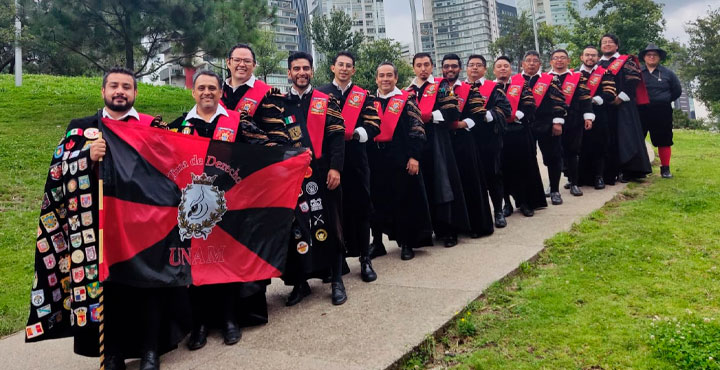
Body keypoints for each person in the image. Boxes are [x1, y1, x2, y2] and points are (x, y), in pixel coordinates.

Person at [25, 67, 190, 370]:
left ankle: (151, 350)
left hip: (146, 228)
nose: (120, 91)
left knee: (148, 288)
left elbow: (174, 171)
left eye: (127, 87)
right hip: (99, 230)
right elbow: (56, 174)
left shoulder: (152, 127)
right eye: (114, 86)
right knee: (109, 291)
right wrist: (85, 157)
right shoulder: (82, 129)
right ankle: (111, 352)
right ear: (103, 91)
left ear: (135, 93)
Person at [168, 70, 270, 352]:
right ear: (193, 92)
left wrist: (294, 156)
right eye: (201, 88)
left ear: (220, 92)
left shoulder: (239, 123)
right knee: (197, 267)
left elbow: (266, 150)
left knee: (226, 265)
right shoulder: (179, 127)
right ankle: (199, 324)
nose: (207, 93)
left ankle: (229, 320)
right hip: (191, 211)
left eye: (212, 88)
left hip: (229, 208)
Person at [280, 51, 348, 306]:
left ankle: (337, 279)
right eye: (296, 69)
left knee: (331, 224)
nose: (301, 73)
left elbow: (337, 137)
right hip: (293, 179)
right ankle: (300, 282)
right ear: (289, 73)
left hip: (323, 174)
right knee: (297, 229)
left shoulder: (326, 100)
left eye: (306, 68)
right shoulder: (281, 104)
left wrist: (336, 169)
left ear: (312, 71)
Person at [317, 51, 381, 282]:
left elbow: (375, 124)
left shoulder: (364, 96)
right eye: (340, 65)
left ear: (353, 70)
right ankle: (338, 261)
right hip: (330, 162)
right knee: (333, 212)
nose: (344, 69)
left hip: (356, 159)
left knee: (361, 208)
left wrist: (356, 133)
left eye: (349, 66)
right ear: (333, 67)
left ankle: (365, 259)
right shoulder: (320, 94)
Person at [368, 62, 433, 261]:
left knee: (403, 201)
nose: (385, 79)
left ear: (396, 78)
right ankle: (377, 243)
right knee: (375, 202)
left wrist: (414, 156)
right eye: (381, 75)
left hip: (401, 158)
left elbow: (417, 128)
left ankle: (406, 242)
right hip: (375, 159)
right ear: (376, 79)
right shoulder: (369, 101)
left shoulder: (407, 100)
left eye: (389, 75)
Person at [406, 52, 467, 248]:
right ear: (413, 67)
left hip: (437, 140)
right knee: (422, 186)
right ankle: (426, 231)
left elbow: (452, 111)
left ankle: (448, 230)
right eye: (419, 65)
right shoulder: (408, 91)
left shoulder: (441, 86)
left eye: (426, 65)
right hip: (416, 144)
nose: (423, 69)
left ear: (432, 67)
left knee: (443, 185)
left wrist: (429, 116)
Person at [440, 53, 494, 237]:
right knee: (450, 185)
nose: (450, 69)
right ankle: (453, 227)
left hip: (464, 141)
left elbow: (479, 114)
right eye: (446, 66)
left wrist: (462, 124)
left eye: (454, 66)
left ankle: (476, 226)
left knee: (471, 183)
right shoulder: (438, 89)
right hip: (444, 143)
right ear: (442, 69)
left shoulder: (469, 89)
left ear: (459, 68)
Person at [465, 54, 512, 228]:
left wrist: (489, 115)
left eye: (478, 65)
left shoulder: (494, 88)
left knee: (493, 175)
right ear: (466, 68)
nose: (474, 68)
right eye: (471, 65)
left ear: (485, 69)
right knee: (472, 178)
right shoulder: (459, 89)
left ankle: (498, 211)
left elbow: (505, 109)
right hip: (467, 139)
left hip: (489, 138)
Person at [598, 33, 652, 183]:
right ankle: (608, 172)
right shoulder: (597, 64)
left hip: (624, 105)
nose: (607, 44)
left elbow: (634, 80)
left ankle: (629, 171)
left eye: (610, 42)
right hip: (604, 106)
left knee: (626, 138)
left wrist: (620, 97)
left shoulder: (626, 61)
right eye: (604, 42)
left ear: (617, 46)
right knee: (606, 139)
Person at [521, 51, 568, 206]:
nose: (532, 63)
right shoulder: (515, 81)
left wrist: (558, 122)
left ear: (540, 64)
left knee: (553, 157)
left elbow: (559, 101)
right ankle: (532, 193)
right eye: (528, 61)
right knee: (527, 158)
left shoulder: (550, 80)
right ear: (523, 64)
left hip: (547, 123)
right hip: (525, 126)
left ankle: (554, 190)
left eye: (535, 61)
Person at [221, 43, 289, 145]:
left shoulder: (268, 94)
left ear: (254, 65)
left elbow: (278, 137)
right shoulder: (217, 93)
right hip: (219, 157)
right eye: (237, 60)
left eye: (247, 61)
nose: (242, 64)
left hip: (254, 157)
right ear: (228, 62)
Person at [548, 49, 594, 196]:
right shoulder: (545, 79)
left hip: (574, 120)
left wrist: (588, 116)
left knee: (572, 152)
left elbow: (585, 97)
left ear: (568, 61)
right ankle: (552, 184)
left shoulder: (577, 77)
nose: (559, 60)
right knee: (553, 155)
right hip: (552, 122)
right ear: (551, 62)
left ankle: (574, 182)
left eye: (563, 58)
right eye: (556, 58)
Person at [638, 43, 682, 178]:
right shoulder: (638, 73)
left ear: (659, 58)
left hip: (662, 112)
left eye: (654, 55)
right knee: (638, 140)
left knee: (664, 140)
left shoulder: (668, 74)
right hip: (641, 111)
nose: (652, 57)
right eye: (649, 55)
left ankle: (665, 169)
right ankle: (639, 169)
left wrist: (664, 99)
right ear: (644, 58)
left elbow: (677, 91)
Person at [577, 46, 618, 189]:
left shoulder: (605, 73)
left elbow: (611, 92)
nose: (590, 58)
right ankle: (577, 177)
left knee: (600, 145)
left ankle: (599, 176)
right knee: (579, 146)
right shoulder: (574, 74)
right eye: (587, 55)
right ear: (581, 57)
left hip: (600, 113)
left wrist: (594, 99)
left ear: (598, 58)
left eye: (593, 55)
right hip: (578, 114)